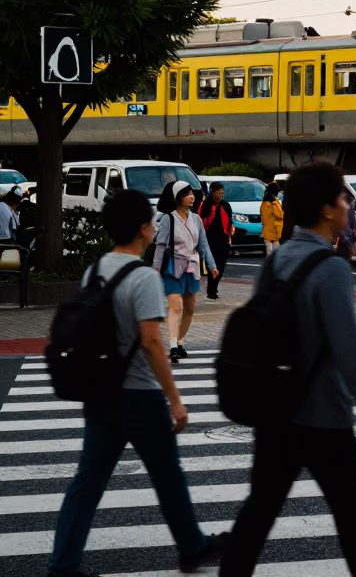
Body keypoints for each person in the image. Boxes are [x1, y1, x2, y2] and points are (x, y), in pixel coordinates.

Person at [219, 163, 356, 577]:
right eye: (343, 198)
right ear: (326, 210)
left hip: (275, 409)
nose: (347, 206)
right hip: (324, 414)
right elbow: (348, 348)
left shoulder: (278, 260)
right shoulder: (331, 268)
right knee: (351, 513)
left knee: (259, 510)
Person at [47, 189, 228, 577]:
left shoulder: (95, 270)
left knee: (88, 481)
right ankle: (192, 547)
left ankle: (62, 564)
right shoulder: (143, 277)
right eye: (150, 221)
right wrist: (175, 399)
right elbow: (150, 342)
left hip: (100, 391)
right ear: (144, 228)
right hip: (139, 395)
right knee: (167, 473)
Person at [153, 181, 217, 365]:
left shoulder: (196, 219)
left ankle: (179, 342)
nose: (192, 197)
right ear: (177, 197)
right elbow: (160, 247)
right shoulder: (168, 218)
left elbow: (203, 245)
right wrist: (155, 271)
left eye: (192, 193)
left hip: (192, 268)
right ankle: (173, 346)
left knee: (189, 309)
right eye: (187, 193)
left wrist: (212, 266)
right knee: (176, 307)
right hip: (173, 268)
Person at [197, 182, 234, 300]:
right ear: (212, 192)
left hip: (223, 239)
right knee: (212, 265)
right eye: (218, 190)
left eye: (222, 190)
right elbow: (200, 221)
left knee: (221, 266)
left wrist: (231, 232)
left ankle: (214, 287)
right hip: (210, 239)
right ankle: (211, 290)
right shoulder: (205, 205)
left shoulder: (226, 205)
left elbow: (230, 221)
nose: (221, 192)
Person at [260, 183, 283, 254]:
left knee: (269, 252)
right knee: (276, 253)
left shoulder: (264, 202)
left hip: (267, 230)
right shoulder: (274, 202)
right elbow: (279, 215)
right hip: (275, 230)